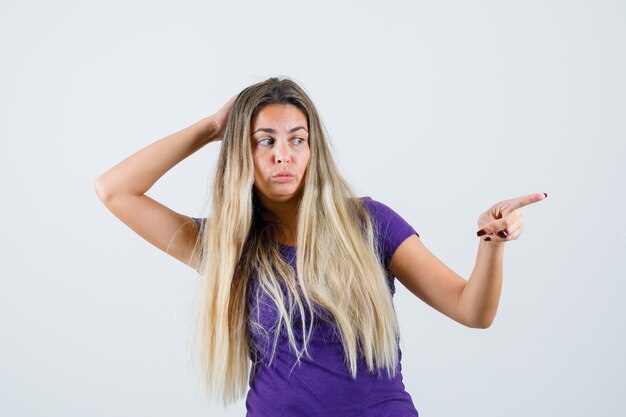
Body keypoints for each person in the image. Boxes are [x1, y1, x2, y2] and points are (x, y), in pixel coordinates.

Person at [94, 77, 547, 416]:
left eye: (297, 140)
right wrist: (213, 127)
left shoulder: (369, 222)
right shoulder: (226, 246)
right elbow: (115, 190)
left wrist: (492, 244)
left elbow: (473, 311)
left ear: (314, 150)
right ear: (242, 154)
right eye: (264, 141)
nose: (282, 155)